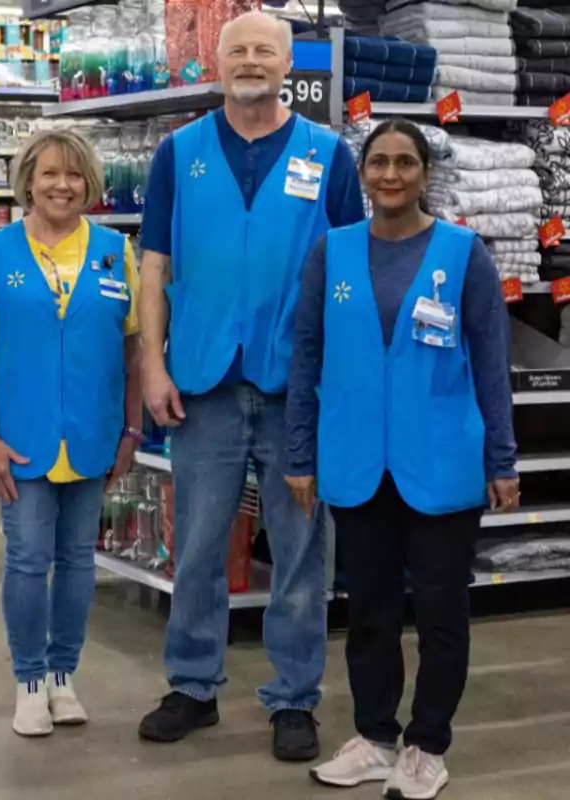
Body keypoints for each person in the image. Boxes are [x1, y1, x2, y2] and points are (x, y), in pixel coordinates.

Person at [136, 10, 367, 760]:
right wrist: (150, 360)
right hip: (201, 382)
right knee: (198, 545)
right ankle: (192, 686)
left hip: (297, 390)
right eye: (237, 49)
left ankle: (294, 700)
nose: (250, 60)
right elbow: (154, 265)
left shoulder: (329, 156)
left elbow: (351, 270)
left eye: (265, 49)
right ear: (217, 60)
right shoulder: (179, 152)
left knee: (301, 553)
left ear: (288, 62)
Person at [290, 119, 518, 800]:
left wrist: (502, 458)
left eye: (405, 163)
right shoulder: (330, 253)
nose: (391, 175)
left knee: (443, 612)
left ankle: (428, 744)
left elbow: (491, 362)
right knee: (370, 612)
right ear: (362, 174)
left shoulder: (463, 253)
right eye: (379, 163)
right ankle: (375, 735)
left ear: (425, 173)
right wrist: (300, 453)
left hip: (442, 463)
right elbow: (307, 359)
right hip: (357, 463)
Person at [0, 129, 142, 737]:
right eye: (50, 174)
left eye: (76, 175)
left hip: (92, 435)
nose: (63, 185)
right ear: (27, 181)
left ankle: (64, 675)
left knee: (79, 563)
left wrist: (131, 430)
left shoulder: (117, 251)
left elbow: (134, 349)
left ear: (90, 185)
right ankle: (29, 680)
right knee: (28, 560)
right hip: (22, 438)